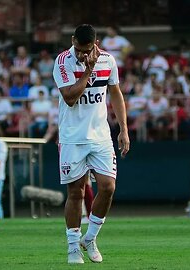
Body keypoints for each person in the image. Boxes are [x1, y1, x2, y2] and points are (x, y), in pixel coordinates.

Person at [52, 24, 130, 264]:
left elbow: (115, 93)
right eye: (79, 49)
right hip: (72, 137)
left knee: (108, 187)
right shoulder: (63, 61)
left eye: (87, 50)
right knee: (75, 192)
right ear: (73, 40)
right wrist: (88, 70)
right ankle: (73, 246)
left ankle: (91, 237)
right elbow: (70, 97)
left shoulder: (108, 60)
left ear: (95, 44)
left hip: (101, 136)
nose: (83, 55)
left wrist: (123, 129)